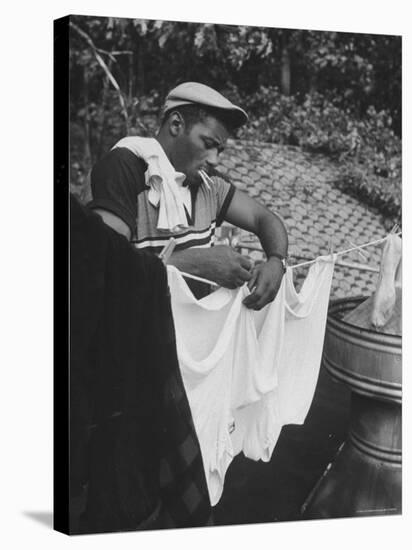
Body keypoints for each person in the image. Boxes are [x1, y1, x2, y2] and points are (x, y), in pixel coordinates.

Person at [89, 82, 288, 310]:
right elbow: (103, 264)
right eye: (208, 144)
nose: (215, 159)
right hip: (133, 339)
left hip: (190, 341)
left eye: (219, 150)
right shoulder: (125, 168)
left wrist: (277, 261)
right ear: (176, 125)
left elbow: (264, 219)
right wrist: (195, 264)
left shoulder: (209, 185)